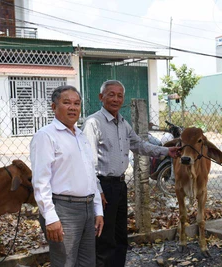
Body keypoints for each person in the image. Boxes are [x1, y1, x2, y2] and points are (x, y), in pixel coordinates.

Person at [81, 80, 181, 267]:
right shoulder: (93, 123)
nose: (116, 99)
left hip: (119, 185)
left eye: (120, 95)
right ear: (101, 97)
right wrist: (97, 191)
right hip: (103, 187)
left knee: (120, 235)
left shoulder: (123, 123)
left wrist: (167, 152)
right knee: (104, 237)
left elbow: (139, 145)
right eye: (111, 94)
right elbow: (87, 163)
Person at [30, 85, 104, 266]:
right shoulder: (46, 136)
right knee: (65, 263)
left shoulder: (80, 136)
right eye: (66, 103)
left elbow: (91, 176)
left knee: (87, 263)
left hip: (87, 208)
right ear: (54, 107)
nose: (73, 107)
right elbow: (41, 182)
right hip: (63, 209)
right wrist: (51, 217)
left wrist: (98, 210)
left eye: (77, 103)